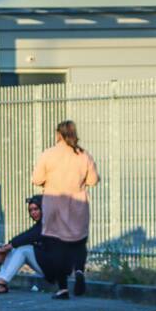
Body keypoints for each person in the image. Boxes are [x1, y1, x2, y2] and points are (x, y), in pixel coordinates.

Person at [32, 120, 99, 299]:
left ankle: (63, 288)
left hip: (55, 205)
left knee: (57, 247)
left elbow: (37, 179)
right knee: (78, 243)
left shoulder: (48, 154)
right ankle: (79, 271)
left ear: (59, 135)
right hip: (77, 205)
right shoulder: (84, 155)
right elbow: (93, 180)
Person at [0, 195, 47, 293]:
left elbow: (31, 236)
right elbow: (26, 236)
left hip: (57, 271)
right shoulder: (39, 225)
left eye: (36, 209)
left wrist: (6, 248)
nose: (33, 212)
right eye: (31, 210)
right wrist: (7, 247)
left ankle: (2, 281)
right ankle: (0, 280)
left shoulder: (49, 223)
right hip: (46, 266)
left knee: (24, 250)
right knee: (16, 248)